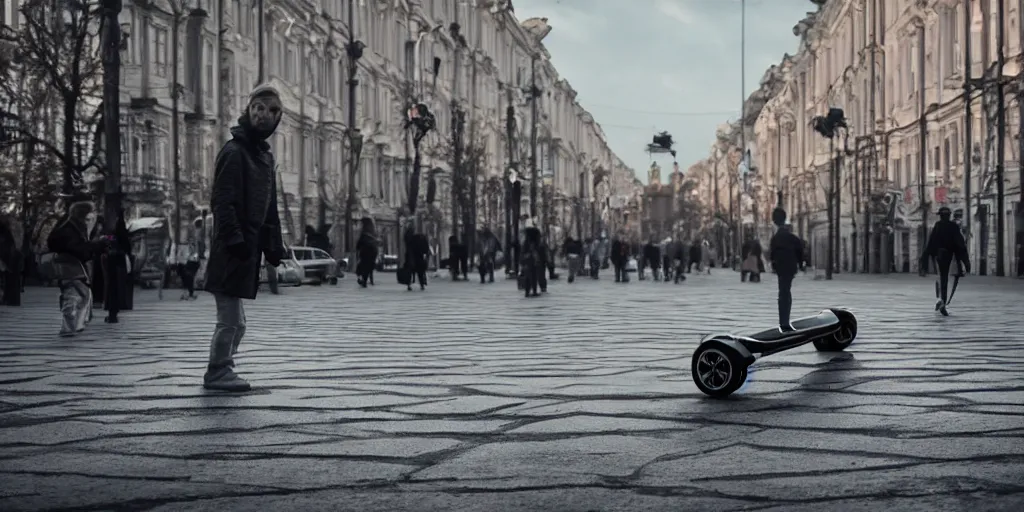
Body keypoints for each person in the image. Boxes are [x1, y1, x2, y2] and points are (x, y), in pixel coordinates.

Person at [202, 84, 286, 392]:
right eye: (260, 108)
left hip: (246, 251)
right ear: (249, 110)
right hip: (231, 250)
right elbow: (222, 202)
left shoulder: (263, 157)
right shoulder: (234, 151)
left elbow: (270, 209)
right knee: (231, 321)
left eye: (273, 111)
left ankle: (222, 368)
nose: (265, 115)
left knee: (239, 323)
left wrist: (274, 247)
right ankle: (218, 371)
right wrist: (235, 240)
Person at [46, 199, 106, 336]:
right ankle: (68, 327)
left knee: (82, 294)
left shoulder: (69, 224)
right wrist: (96, 246)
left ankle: (77, 324)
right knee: (72, 295)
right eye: (92, 212)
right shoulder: (72, 228)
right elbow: (77, 248)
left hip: (68, 264)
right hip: (71, 265)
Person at [920, 206, 970, 316]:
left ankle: (941, 299)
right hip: (951, 256)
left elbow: (931, 243)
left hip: (939, 256)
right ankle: (944, 301)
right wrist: (965, 261)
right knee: (949, 279)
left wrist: (925, 259)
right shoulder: (954, 227)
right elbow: (960, 244)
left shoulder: (938, 226)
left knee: (941, 278)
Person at [769, 208, 804, 332]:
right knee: (786, 292)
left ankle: (783, 322)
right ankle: (785, 322)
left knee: (783, 293)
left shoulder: (775, 238)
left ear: (774, 221)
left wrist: (774, 265)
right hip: (790, 267)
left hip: (781, 268)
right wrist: (800, 264)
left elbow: (772, 254)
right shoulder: (792, 237)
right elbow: (800, 250)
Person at [355, 217, 379, 288]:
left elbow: (359, 243)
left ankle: (362, 280)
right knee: (368, 266)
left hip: (365, 251)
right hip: (373, 252)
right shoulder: (373, 232)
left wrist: (357, 248)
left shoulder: (364, 232)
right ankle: (365, 280)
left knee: (362, 266)